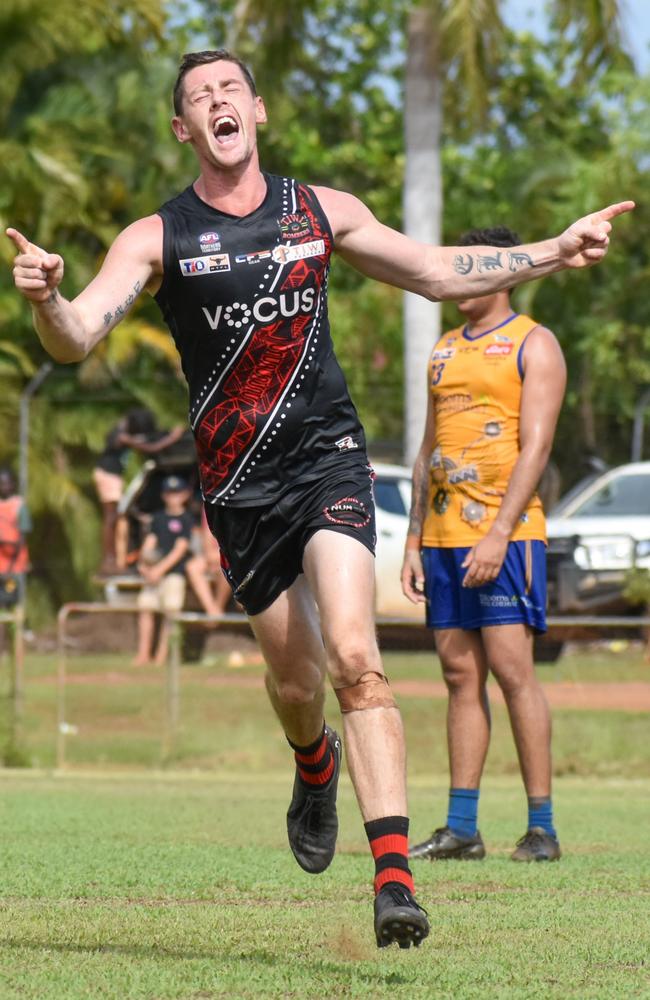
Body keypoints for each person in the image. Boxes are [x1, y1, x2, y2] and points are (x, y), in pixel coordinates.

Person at [5, 49, 632, 946]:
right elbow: (74, 338)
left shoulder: (320, 211)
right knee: (297, 683)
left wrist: (553, 251)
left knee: (355, 655)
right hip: (237, 487)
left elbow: (436, 269)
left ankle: (393, 880)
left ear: (256, 110)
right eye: (198, 98)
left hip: (328, 461)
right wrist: (48, 298)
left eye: (230, 90)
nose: (218, 103)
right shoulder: (156, 237)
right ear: (183, 128)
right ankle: (312, 763)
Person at [401, 226, 567, 863]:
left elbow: (538, 447)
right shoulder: (442, 350)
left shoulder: (534, 344)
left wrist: (499, 533)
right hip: (443, 538)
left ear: (506, 273)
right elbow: (426, 451)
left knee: (512, 673)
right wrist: (415, 540)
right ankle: (461, 828)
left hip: (506, 536)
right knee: (458, 675)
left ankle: (542, 828)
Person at [93, 407, 185, 575]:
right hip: (108, 476)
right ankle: (110, 560)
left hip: (112, 477)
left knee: (115, 518)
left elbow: (143, 439)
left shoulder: (123, 431)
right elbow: (150, 448)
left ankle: (113, 558)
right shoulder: (122, 435)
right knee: (111, 518)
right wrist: (173, 438)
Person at [134, 475, 193, 667]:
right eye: (169, 493)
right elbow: (150, 543)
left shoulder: (186, 519)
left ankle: (161, 656)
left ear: (184, 495)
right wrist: (143, 563)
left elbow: (180, 549)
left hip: (174, 573)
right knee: (145, 608)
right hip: (153, 574)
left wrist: (159, 569)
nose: (173, 497)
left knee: (171, 611)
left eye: (176, 493)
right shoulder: (158, 518)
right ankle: (143, 654)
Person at [0, 467, 31, 607]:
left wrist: (10, 568)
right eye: (1, 483)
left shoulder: (20, 506)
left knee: (15, 602)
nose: (4, 487)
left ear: (13, 484)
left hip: (15, 566)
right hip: (1, 567)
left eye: (7, 483)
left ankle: (20, 628)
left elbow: (22, 539)